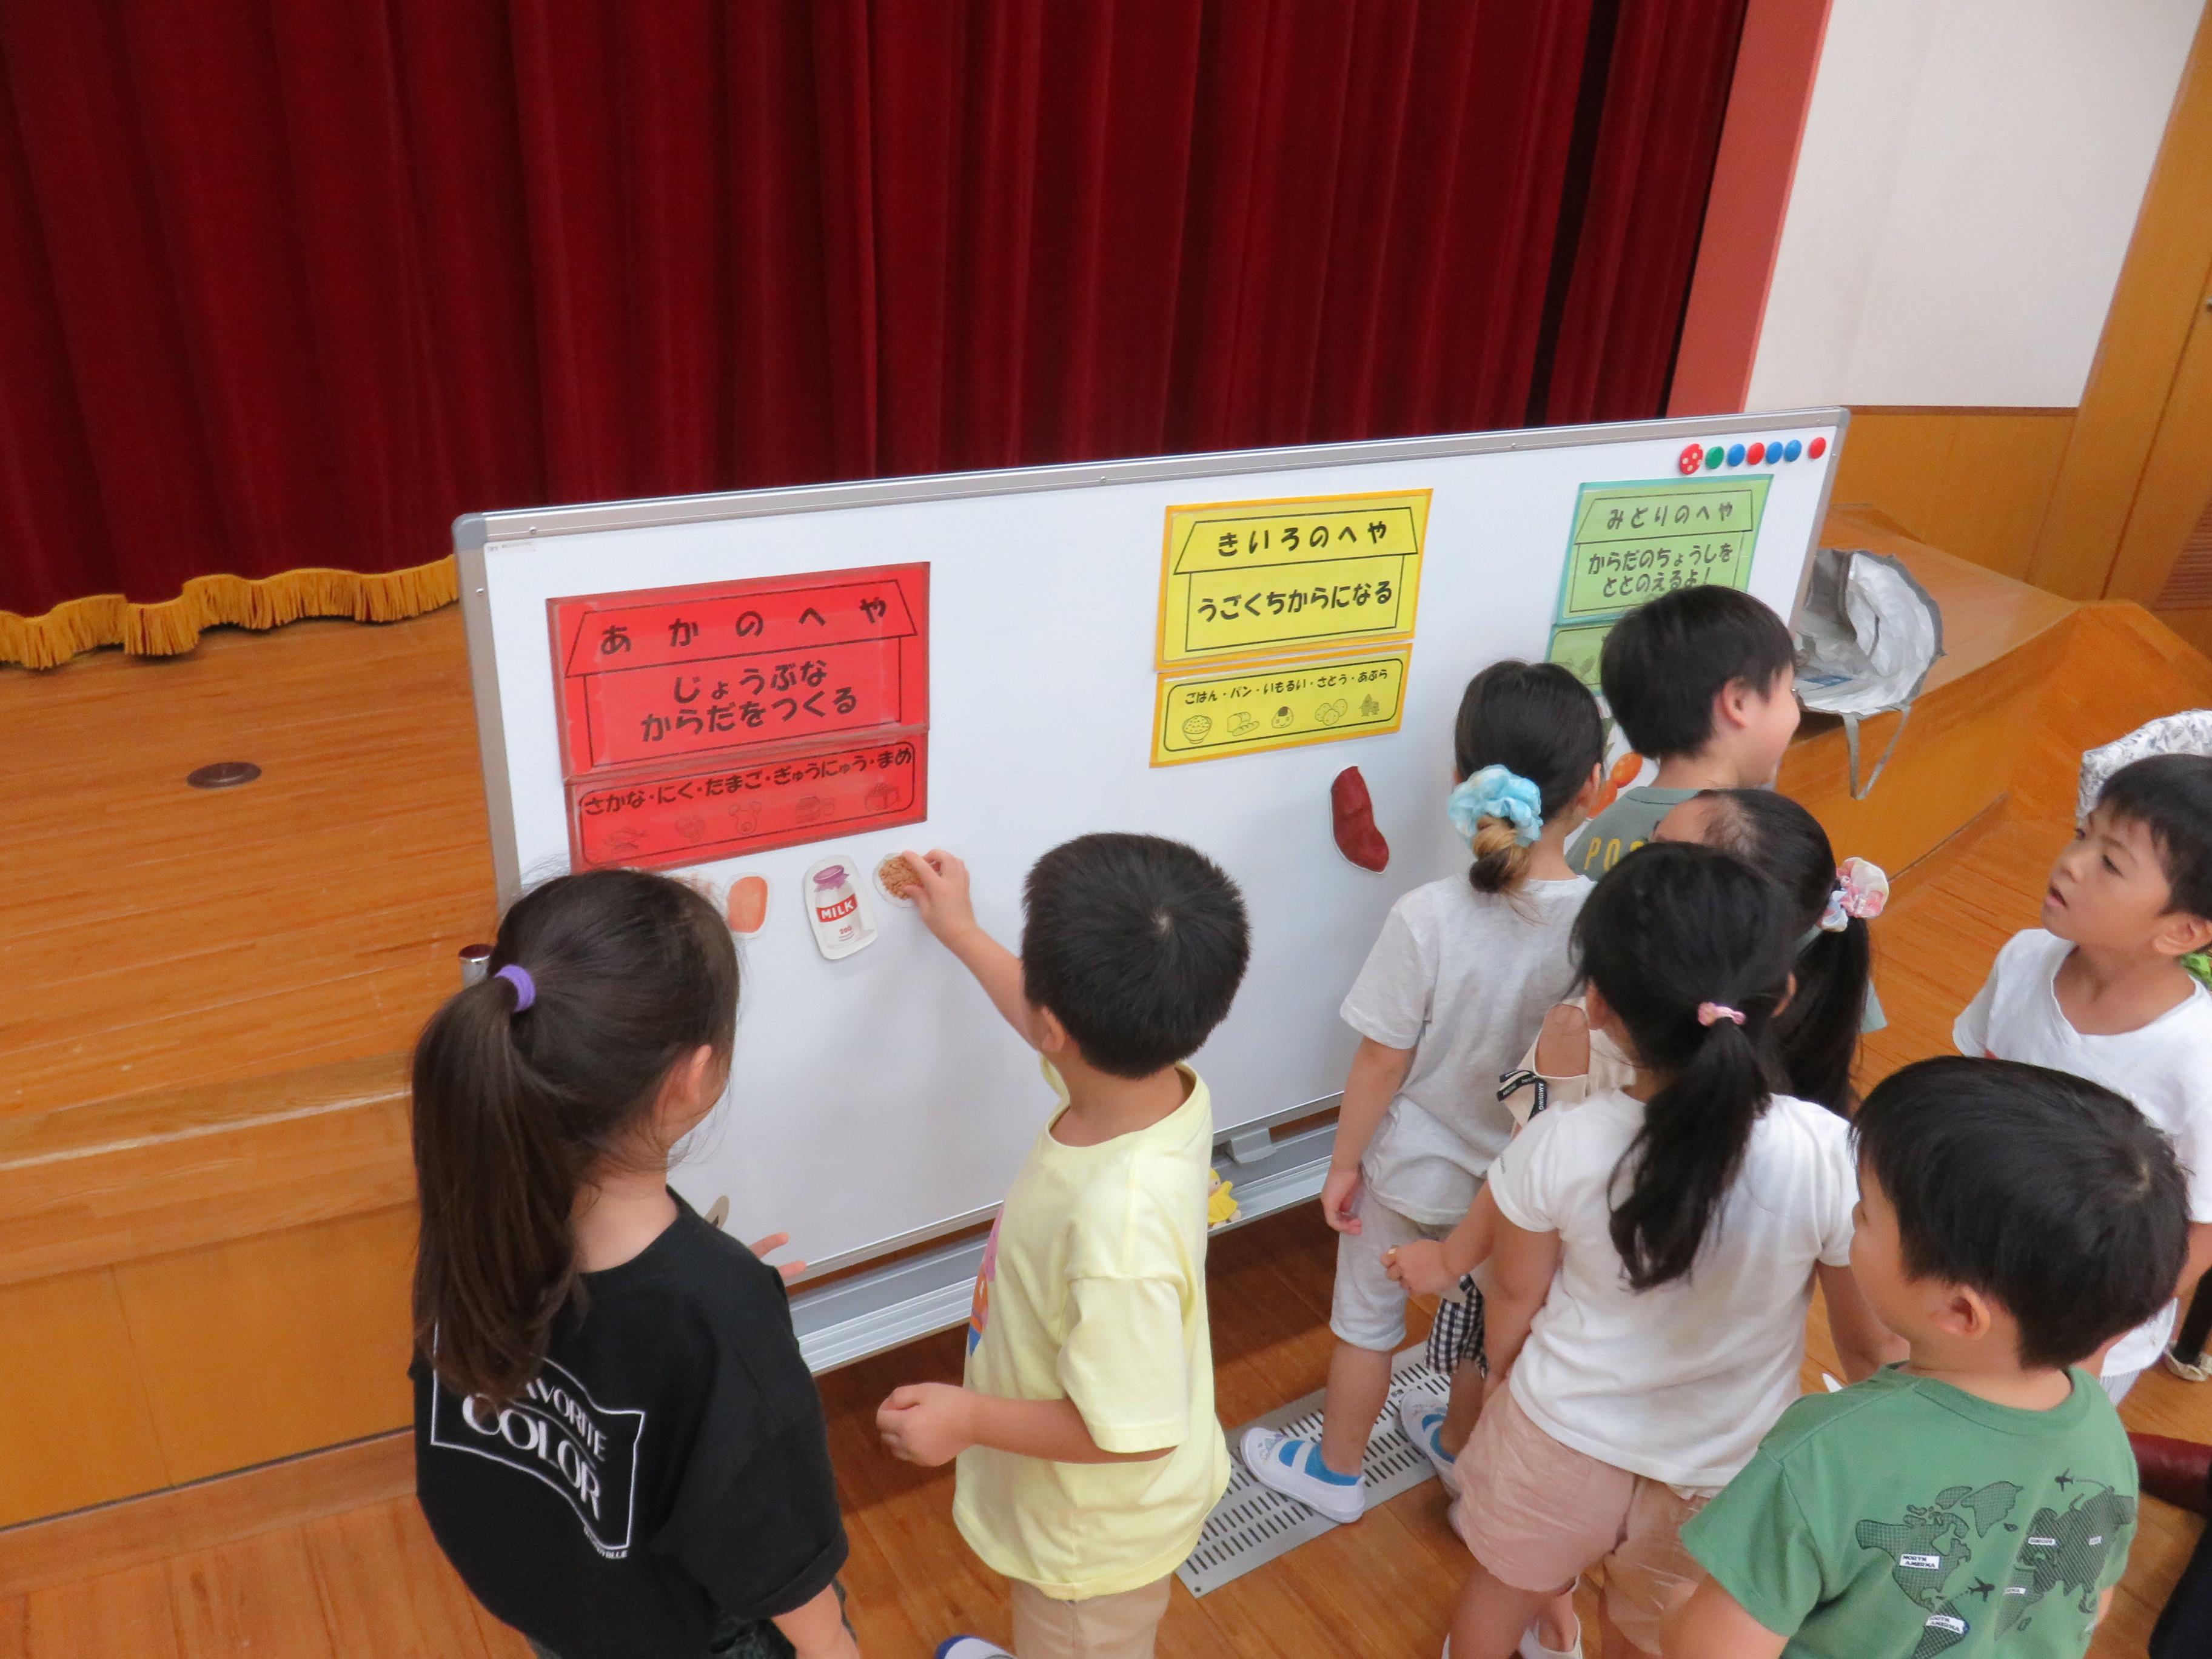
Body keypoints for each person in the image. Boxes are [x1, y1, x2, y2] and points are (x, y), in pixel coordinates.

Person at [1441, 844, 1898, 1659]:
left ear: (1600, 1004)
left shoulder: (1558, 1142)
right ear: (1783, 995)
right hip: (1717, 1470)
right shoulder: (1828, 1150)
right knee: (1650, 1633)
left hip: (1560, 1434)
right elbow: (1865, 1344)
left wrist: (1509, 1380)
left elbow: (1514, 1302)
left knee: (1497, 1598)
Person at [409, 869, 855, 1659]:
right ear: (690, 1079)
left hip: (573, 1614)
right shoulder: (718, 1310)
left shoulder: (474, 1204)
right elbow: (778, 1556)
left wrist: (701, 1302)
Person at [1241, 660, 1605, 1536]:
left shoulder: (1428, 916)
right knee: (1482, 1331)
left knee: (1367, 1327)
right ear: (1593, 787)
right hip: (1519, 1199)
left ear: (1459, 783)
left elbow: (1378, 1062)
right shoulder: (1603, 920)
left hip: (1408, 1175)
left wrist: (1340, 1163)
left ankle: (1335, 1471)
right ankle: (1454, 1446)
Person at [1669, 1056, 2187, 1659]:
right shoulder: (2098, 1424)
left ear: (1962, 1314)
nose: (1852, 1219)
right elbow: (2090, 1601)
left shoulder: (1827, 1452)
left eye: (1866, 1213)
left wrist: (1681, 1608)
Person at [874, 833, 1250, 1659]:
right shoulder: (1156, 1086)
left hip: (1092, 1542)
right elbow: (1041, 1018)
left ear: (1056, 1029)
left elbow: (1132, 1430)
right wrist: (964, 932)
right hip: (1080, 1498)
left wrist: (967, 1417)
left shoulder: (1119, 1225)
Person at [1955, 753, 2212, 1401]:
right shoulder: (2023, 957)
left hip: (2083, 1333)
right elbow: (1971, 1096)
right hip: (1969, 1276)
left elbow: (2204, 1228)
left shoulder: (2196, 1057)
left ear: (2181, 931)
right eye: (2082, 835)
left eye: (2111, 863)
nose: (2071, 863)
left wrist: (2097, 1332)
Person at [1525, 789, 1884, 1119]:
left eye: (1664, 855)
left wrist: (1560, 1080)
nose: (1636, 861)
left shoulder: (1601, 1037)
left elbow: (1528, 1169)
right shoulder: (1813, 1122)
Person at [1568, 585, 1800, 878]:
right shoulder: (1755, 843)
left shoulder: (1602, 829)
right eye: (1791, 690)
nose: (1796, 710)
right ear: (1739, 702)